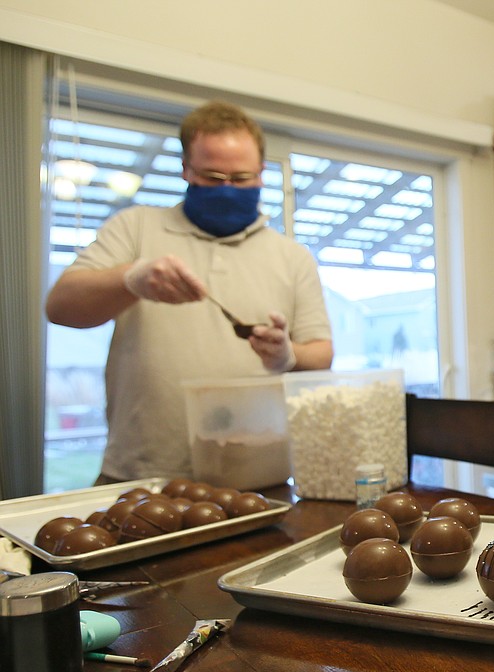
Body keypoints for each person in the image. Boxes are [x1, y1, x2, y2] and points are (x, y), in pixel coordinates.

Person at [45, 100, 333, 485]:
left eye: (242, 177)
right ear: (186, 169)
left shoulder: (292, 257)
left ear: (262, 174)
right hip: (140, 475)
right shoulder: (136, 228)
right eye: (213, 176)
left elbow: (322, 353)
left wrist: (288, 355)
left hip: (255, 476)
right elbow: (61, 307)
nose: (228, 189)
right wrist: (131, 279)